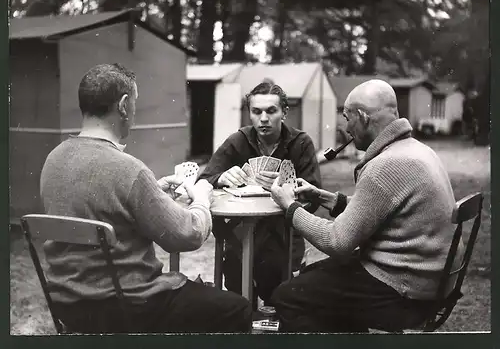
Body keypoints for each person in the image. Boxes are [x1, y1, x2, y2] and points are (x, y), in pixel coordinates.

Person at [40, 63, 252, 334]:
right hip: (128, 306)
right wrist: (201, 197)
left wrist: (154, 193)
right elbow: (188, 235)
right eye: (135, 103)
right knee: (238, 308)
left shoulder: (53, 160)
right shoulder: (129, 170)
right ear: (124, 105)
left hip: (69, 305)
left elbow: (96, 208)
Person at [269, 79, 464, 333]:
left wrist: (290, 206)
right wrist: (323, 197)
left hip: (405, 292)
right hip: (429, 280)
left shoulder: (386, 165)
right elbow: (380, 209)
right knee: (312, 276)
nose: (346, 127)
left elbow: (337, 243)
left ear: (362, 117)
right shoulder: (416, 150)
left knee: (288, 295)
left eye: (347, 117)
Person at [198, 81, 321, 310]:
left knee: (280, 300)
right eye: (256, 112)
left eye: (271, 111)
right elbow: (204, 179)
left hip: (284, 237)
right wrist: (222, 177)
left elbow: (313, 195)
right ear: (250, 114)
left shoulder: (300, 142)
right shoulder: (238, 140)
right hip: (242, 237)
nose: (263, 119)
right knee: (239, 296)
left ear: (284, 112)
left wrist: (288, 191)